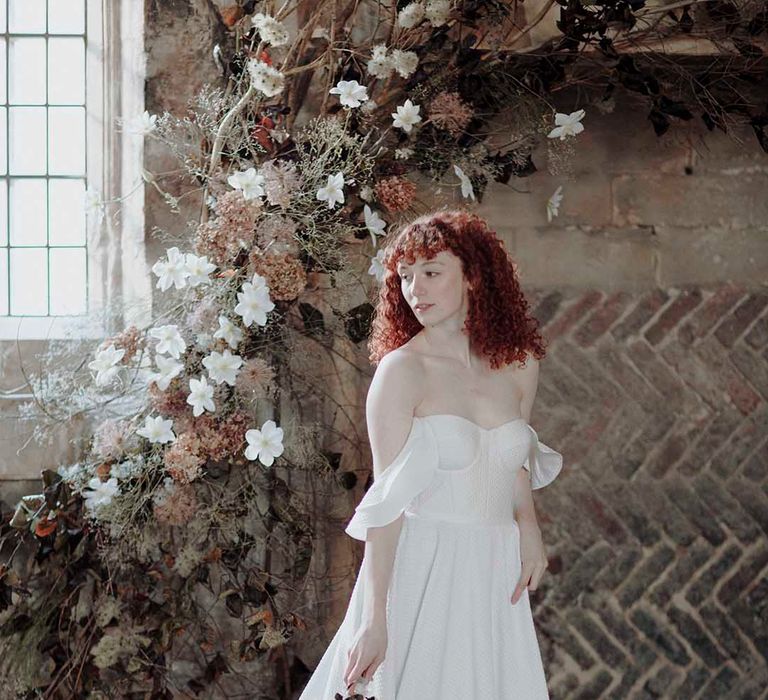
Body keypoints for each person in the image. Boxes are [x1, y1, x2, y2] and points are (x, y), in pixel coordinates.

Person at [298, 210, 562, 699]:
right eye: (404, 276)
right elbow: (386, 503)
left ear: (473, 275)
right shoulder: (401, 372)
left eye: (432, 272)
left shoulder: (518, 362)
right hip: (422, 568)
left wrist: (529, 525)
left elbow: (514, 456)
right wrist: (377, 619)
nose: (415, 289)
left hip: (493, 569)